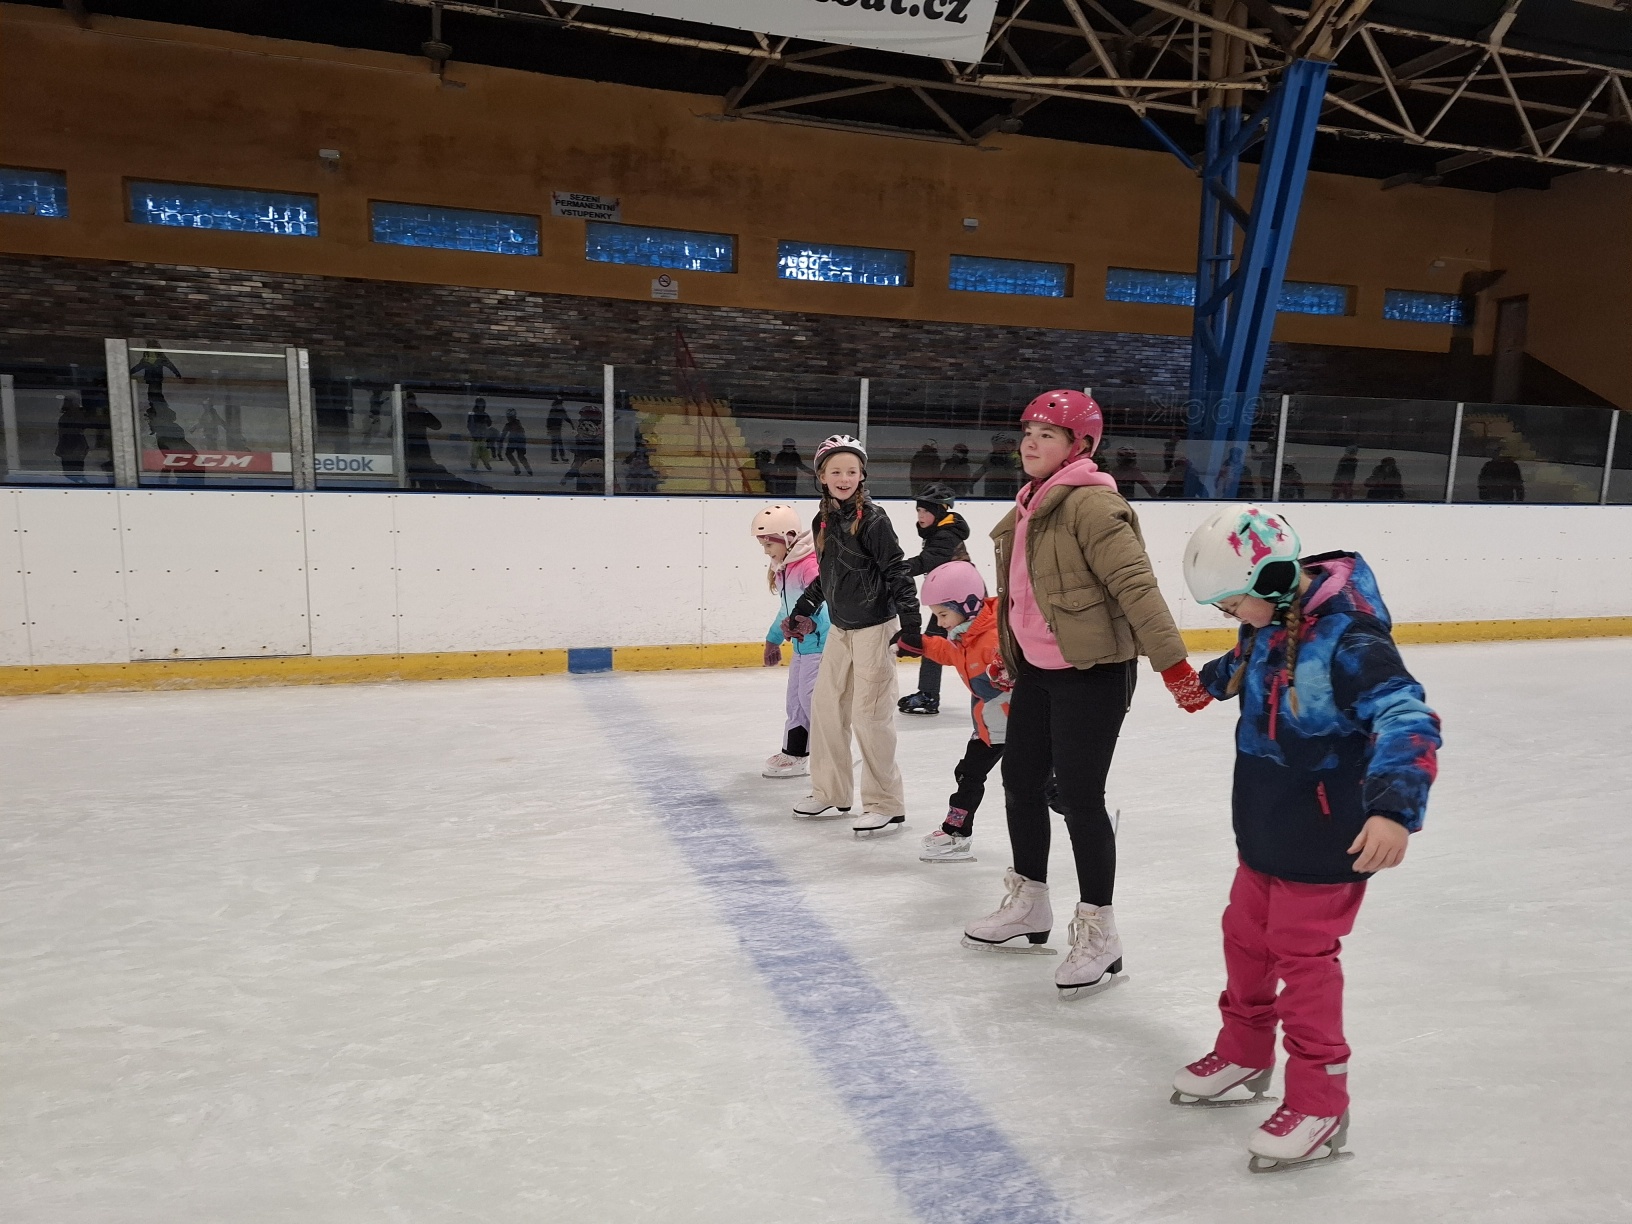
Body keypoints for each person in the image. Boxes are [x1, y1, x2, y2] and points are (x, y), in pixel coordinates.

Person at [1170, 505, 1441, 1173]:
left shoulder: (1350, 639)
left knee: (1303, 959)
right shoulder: (1271, 616)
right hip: (1267, 818)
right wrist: (1208, 682)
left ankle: (1321, 1102)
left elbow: (1408, 716)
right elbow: (1250, 657)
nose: (1231, 615)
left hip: (1327, 832)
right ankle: (1244, 1053)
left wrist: (1393, 810)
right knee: (1245, 937)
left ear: (1273, 579)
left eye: (1233, 602)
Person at [958, 390, 1210, 999]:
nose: (1031, 442)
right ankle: (1030, 902)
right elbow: (1023, 595)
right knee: (1020, 780)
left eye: (1047, 434)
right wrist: (1011, 654)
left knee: (1078, 796)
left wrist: (1174, 666)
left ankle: (1101, 931)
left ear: (1081, 446)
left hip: (1094, 670)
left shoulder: (1093, 505)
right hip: (1039, 670)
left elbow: (1135, 585)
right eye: (1027, 432)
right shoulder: (1031, 504)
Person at [785, 435, 921, 835]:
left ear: (862, 476)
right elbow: (827, 575)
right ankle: (831, 791)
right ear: (822, 476)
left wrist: (912, 624)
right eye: (836, 471)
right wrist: (803, 608)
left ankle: (885, 803)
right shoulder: (823, 521)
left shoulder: (873, 520)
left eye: (851, 471)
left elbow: (897, 570)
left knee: (870, 716)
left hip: (875, 628)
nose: (844, 478)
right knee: (826, 710)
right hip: (841, 630)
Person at [914, 561, 1008, 865]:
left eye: (943, 614)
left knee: (1042, 786)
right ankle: (956, 832)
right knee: (968, 774)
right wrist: (920, 643)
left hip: (1018, 727)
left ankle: (1086, 820)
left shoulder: (995, 639)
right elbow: (949, 654)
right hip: (989, 727)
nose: (939, 622)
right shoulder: (965, 636)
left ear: (967, 605)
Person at [753, 505, 829, 780]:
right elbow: (786, 611)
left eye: (768, 544)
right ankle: (795, 754)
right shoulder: (785, 568)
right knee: (795, 700)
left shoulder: (809, 565)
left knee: (812, 701)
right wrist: (772, 640)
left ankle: (831, 756)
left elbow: (828, 602)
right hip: (801, 647)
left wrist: (814, 625)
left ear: (788, 538)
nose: (766, 551)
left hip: (820, 647)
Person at [897, 482, 970, 718]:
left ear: (939, 511)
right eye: (918, 510)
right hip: (954, 599)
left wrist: (897, 569)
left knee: (937, 644)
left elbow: (927, 561)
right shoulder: (940, 531)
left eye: (926, 511)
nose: (920, 516)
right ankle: (928, 694)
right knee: (935, 644)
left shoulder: (946, 535)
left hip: (961, 601)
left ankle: (929, 695)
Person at [54, 393, 90, 483]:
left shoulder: (75, 415)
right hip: (70, 448)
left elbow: (72, 432)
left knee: (74, 473)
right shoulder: (69, 416)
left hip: (73, 448)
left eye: (67, 401)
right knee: (72, 474)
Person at [976, 434, 1022, 499]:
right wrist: (971, 482)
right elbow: (981, 470)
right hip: (991, 487)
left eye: (1004, 445)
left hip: (1006, 487)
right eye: (999, 445)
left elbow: (1014, 476)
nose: (1002, 448)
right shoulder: (990, 458)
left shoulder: (1010, 458)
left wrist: (1015, 491)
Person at [500, 407, 532, 476]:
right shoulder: (518, 423)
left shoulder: (508, 425)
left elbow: (503, 434)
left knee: (509, 454)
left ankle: (517, 467)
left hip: (513, 441)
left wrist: (500, 440)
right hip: (521, 440)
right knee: (521, 456)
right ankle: (528, 468)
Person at [466, 398, 495, 472]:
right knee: (475, 452)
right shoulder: (473, 415)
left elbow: (489, 423)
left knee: (484, 452)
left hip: (482, 436)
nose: (481, 407)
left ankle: (486, 463)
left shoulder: (485, 415)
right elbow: (469, 425)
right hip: (475, 437)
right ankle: (474, 465)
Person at [546, 399, 571, 463]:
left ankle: (554, 456)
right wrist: (571, 423)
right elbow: (565, 417)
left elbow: (549, 418)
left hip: (553, 427)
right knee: (559, 442)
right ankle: (561, 456)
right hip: (556, 427)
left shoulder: (553, 409)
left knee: (555, 442)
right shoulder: (560, 409)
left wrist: (548, 427)